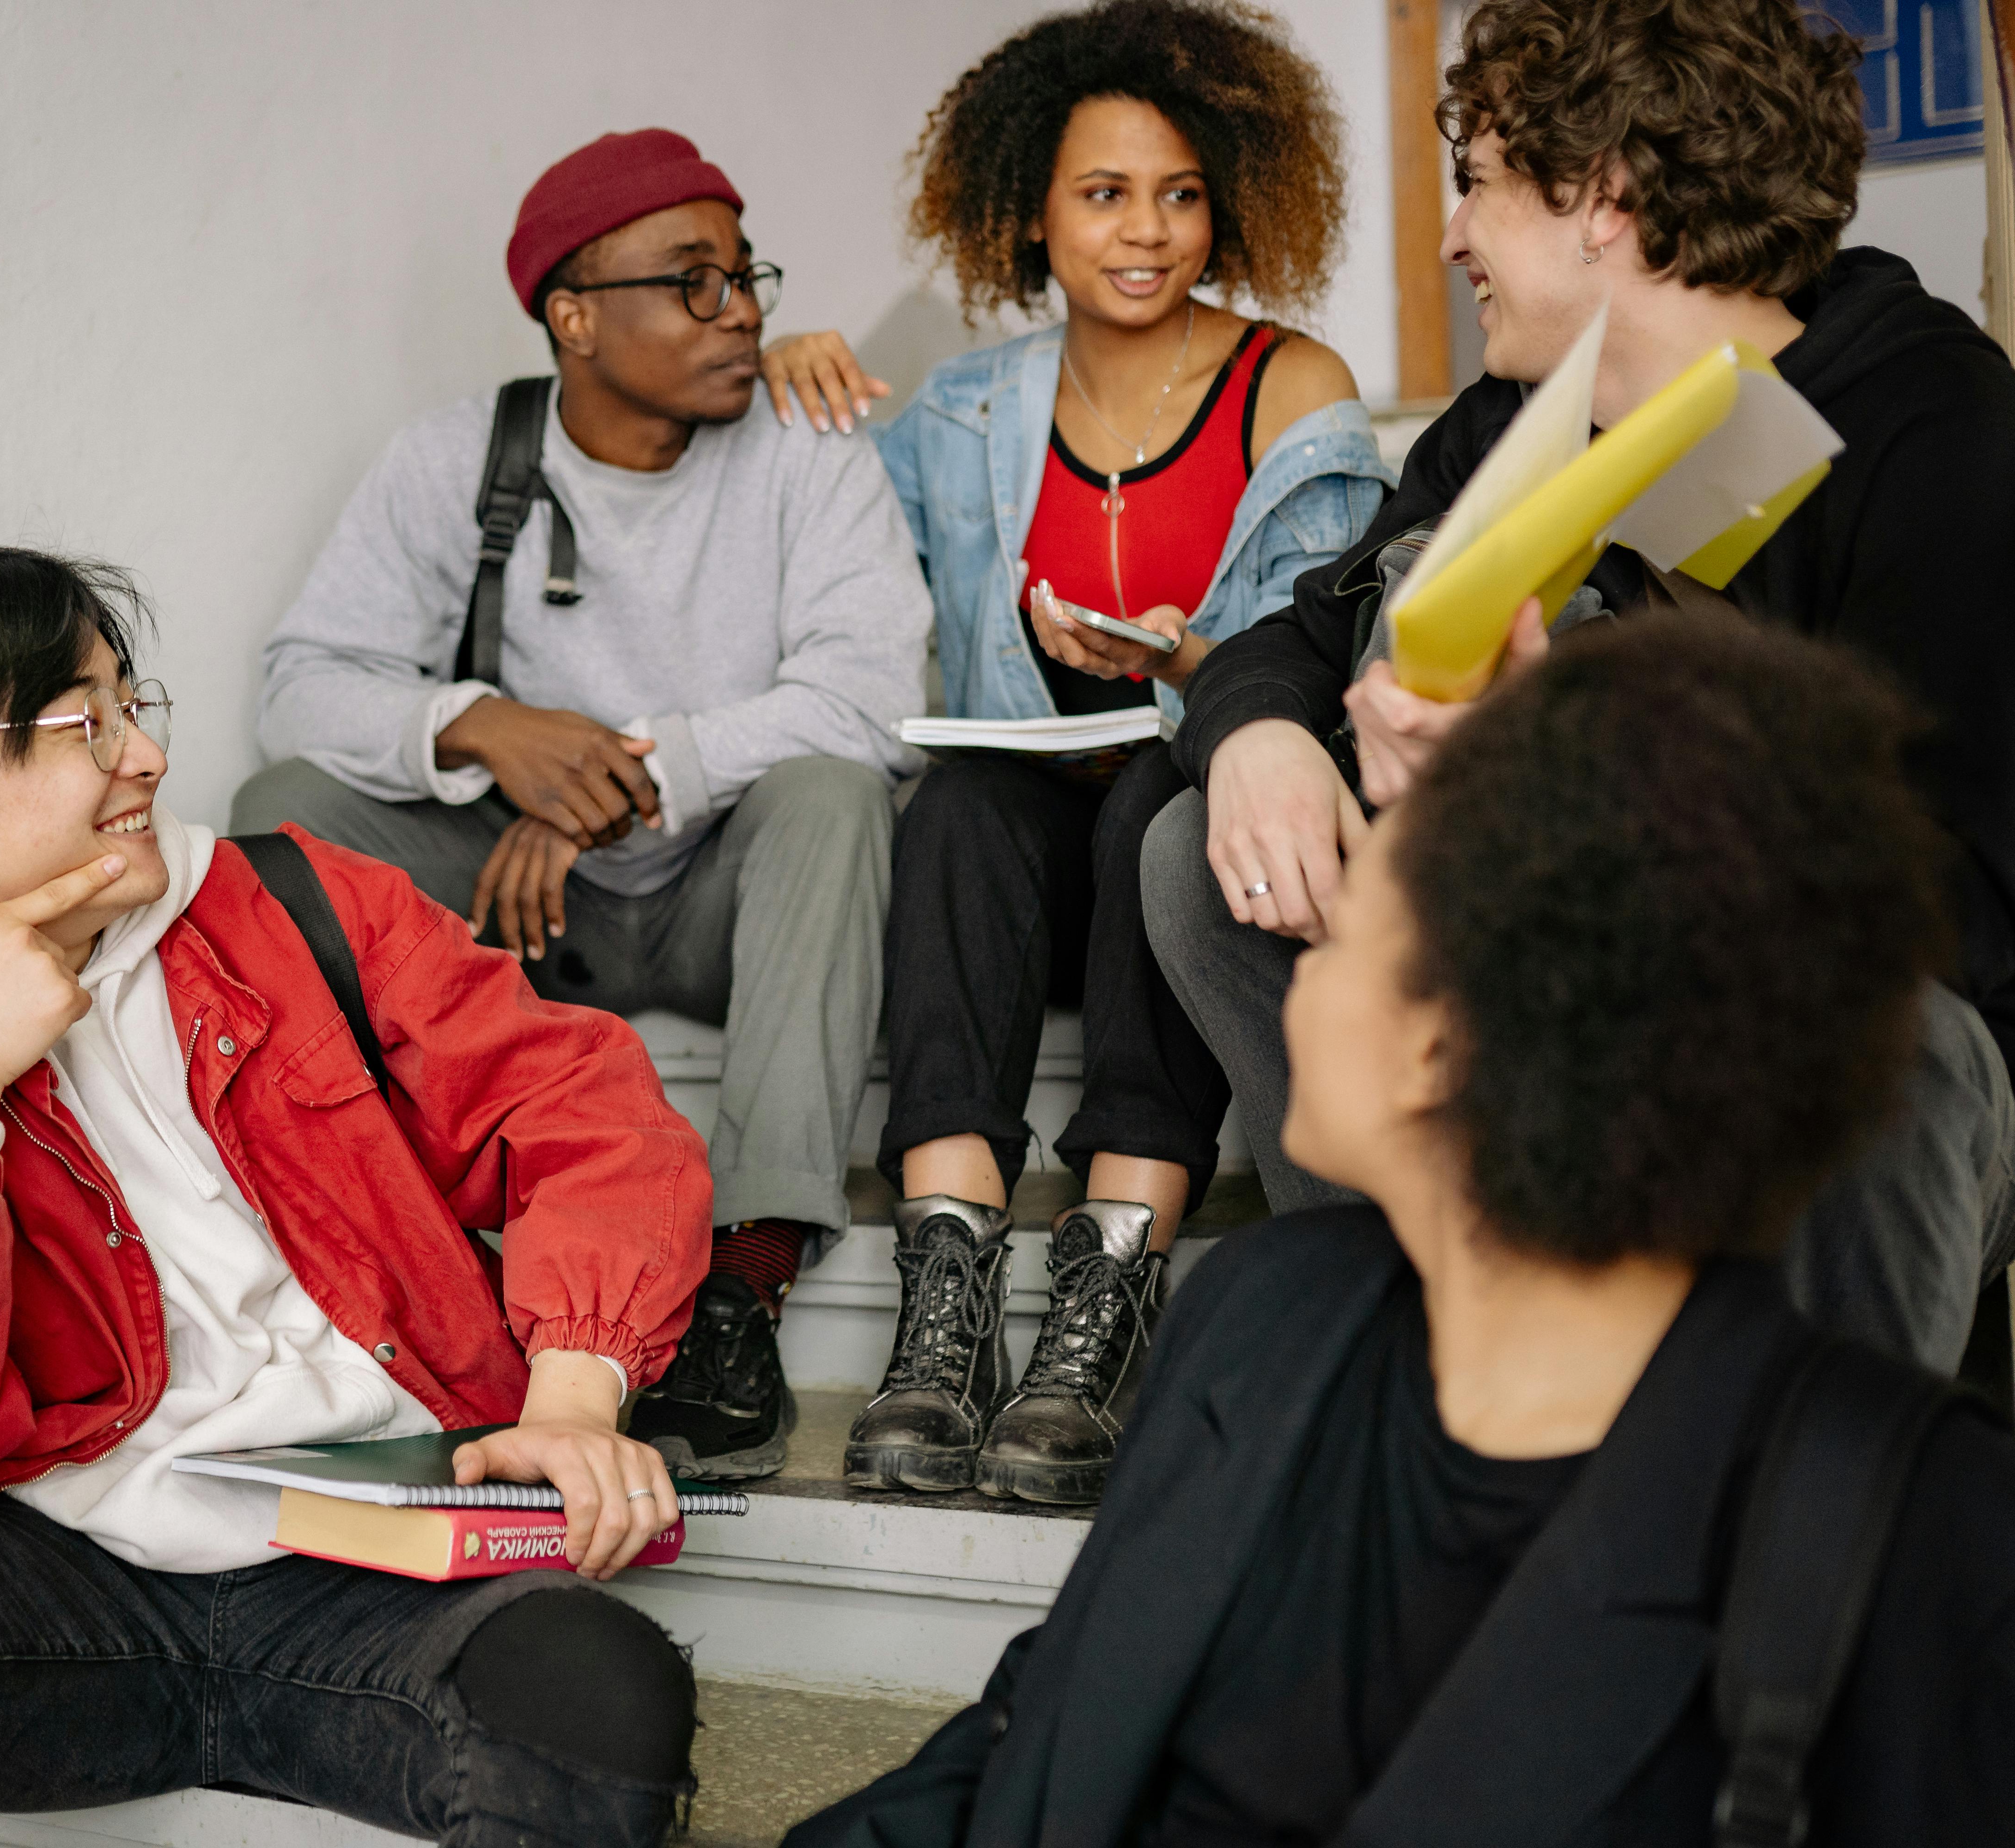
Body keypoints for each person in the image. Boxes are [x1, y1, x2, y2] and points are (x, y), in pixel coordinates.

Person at [788, 616, 2015, 1848]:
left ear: (1440, 1043)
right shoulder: (1262, 1317)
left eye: (1354, 897)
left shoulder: (1908, 1522)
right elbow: (1035, 1733)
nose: (1300, 944)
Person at [0, 547, 710, 1848]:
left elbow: (578, 1109)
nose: (143, 757)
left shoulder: (298, 911)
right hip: (57, 1607)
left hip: (374, 1571)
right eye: (83, 722)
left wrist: (576, 1400)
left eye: (134, 707)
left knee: (597, 1687)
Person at [1144, 0, 2015, 1372]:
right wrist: (1257, 737)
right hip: (1577, 1011)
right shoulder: (1511, 418)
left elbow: (1965, 914)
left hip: (1866, 1042)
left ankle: (1814, 1511)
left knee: (1889, 1041)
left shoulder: (1932, 422)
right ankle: (1429, 1380)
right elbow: (1296, 636)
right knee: (1198, 860)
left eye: (1477, 184)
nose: (1450, 236)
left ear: (1603, 197)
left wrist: (1576, 808)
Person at [755, 0, 1391, 1501]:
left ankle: (1103, 1297)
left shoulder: (1294, 393)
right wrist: (788, 383)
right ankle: (948, 1302)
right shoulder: (964, 410)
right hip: (1027, 873)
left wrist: (1182, 666)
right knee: (965, 803)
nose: (1149, 232)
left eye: (1179, 194)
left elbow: (1321, 662)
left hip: (1187, 876)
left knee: (1156, 805)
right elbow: (842, 575)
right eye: (1105, 194)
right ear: (1029, 216)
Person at [234, 130, 932, 1482]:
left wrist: (631, 770)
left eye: (747, 277)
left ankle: (744, 1278)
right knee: (286, 810)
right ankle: (382, 1233)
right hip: (526, 912)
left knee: (838, 793)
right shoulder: (462, 460)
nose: (743, 314)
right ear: (574, 317)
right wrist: (483, 728)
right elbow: (299, 688)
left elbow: (872, 699)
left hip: (736, 899)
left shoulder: (808, 451)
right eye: (693, 282)